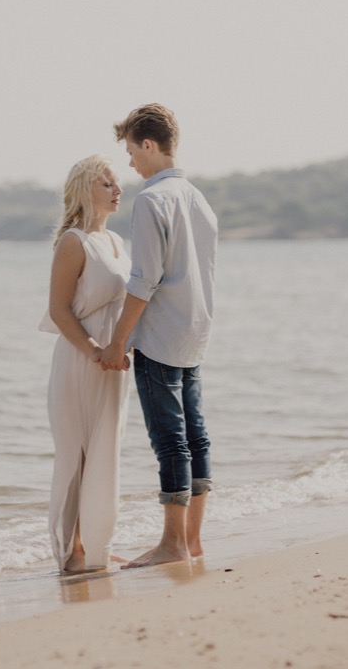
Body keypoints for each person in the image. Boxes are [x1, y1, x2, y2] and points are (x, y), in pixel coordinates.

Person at [100, 104, 218, 568]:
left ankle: (172, 544)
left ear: (148, 145)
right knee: (196, 437)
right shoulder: (198, 199)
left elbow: (144, 279)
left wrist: (117, 341)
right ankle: (192, 541)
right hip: (195, 331)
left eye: (131, 151)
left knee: (170, 440)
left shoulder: (152, 200)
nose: (130, 163)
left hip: (161, 337)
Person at [40, 155, 131, 574]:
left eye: (117, 183)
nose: (118, 189)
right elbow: (59, 310)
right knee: (75, 456)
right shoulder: (73, 242)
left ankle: (97, 547)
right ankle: (71, 552)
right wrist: (94, 350)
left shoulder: (115, 243)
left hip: (112, 364)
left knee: (105, 452)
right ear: (84, 191)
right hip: (80, 361)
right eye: (107, 183)